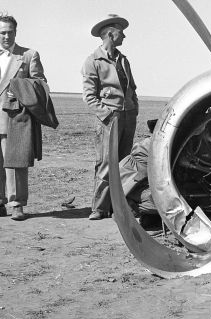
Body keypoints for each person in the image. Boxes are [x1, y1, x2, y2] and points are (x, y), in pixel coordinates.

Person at [0, 14, 46, 221]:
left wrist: (22, 89)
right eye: (2, 32)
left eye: (10, 32)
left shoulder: (29, 55)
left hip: (15, 119)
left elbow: (40, 84)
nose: (6, 36)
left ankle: (17, 205)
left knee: (15, 164)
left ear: (16, 31)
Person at [81, 14, 139, 220]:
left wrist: (134, 108)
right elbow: (89, 96)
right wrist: (107, 114)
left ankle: (118, 207)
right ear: (110, 34)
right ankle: (99, 207)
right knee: (106, 163)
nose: (124, 36)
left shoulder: (123, 60)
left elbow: (132, 87)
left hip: (127, 116)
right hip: (109, 119)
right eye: (121, 32)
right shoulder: (93, 61)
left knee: (123, 163)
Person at [118, 119, 159, 228]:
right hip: (137, 186)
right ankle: (135, 207)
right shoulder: (151, 145)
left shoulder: (153, 143)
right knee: (161, 200)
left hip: (139, 184)